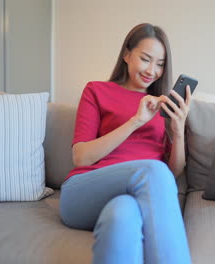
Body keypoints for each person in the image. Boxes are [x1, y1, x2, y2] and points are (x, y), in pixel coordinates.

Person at [59, 23, 192, 264]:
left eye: (160, 64)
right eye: (145, 59)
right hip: (84, 192)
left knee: (122, 215)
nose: (152, 70)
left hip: (133, 196)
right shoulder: (96, 91)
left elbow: (172, 172)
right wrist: (135, 121)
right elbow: (81, 157)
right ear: (127, 54)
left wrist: (178, 130)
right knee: (152, 171)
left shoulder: (162, 105)